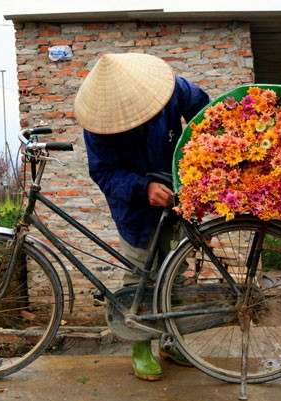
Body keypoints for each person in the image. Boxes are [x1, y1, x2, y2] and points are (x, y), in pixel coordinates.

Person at [74, 52, 210, 381]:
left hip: (177, 192)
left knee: (174, 272)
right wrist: (142, 187)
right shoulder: (99, 125)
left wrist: (198, 158)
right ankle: (141, 344)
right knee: (140, 273)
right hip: (134, 206)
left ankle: (171, 340)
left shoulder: (173, 90)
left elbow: (206, 115)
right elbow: (104, 172)